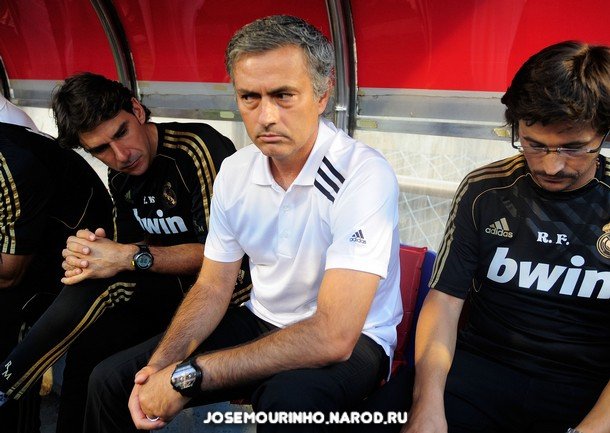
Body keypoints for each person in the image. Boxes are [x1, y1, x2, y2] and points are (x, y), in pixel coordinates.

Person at [83, 14, 402, 433]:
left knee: (287, 402)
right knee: (114, 381)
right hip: (260, 318)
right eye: (250, 97)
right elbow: (213, 287)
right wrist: (160, 366)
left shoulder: (361, 173)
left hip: (357, 340)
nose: (266, 116)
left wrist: (189, 376)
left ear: (323, 94)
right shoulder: (236, 172)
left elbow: (333, 336)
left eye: (283, 95)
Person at [0, 72, 251, 433]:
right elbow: (127, 248)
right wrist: (90, 254)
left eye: (121, 133)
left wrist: (127, 256)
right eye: (100, 150)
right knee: (87, 347)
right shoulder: (120, 176)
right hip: (166, 293)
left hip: (222, 300)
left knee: (107, 360)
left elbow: (225, 258)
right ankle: (10, 385)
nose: (120, 155)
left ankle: (7, 383)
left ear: (137, 110)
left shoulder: (197, 148)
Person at [403, 41, 610, 433]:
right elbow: (445, 301)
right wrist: (425, 404)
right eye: (534, 144)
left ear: (602, 134)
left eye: (573, 148)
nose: (552, 165)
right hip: (482, 369)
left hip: (585, 388)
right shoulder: (486, 190)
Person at [0, 122, 114, 432]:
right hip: (27, 250)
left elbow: (9, 273)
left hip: (67, 263)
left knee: (9, 327)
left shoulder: (12, 164)